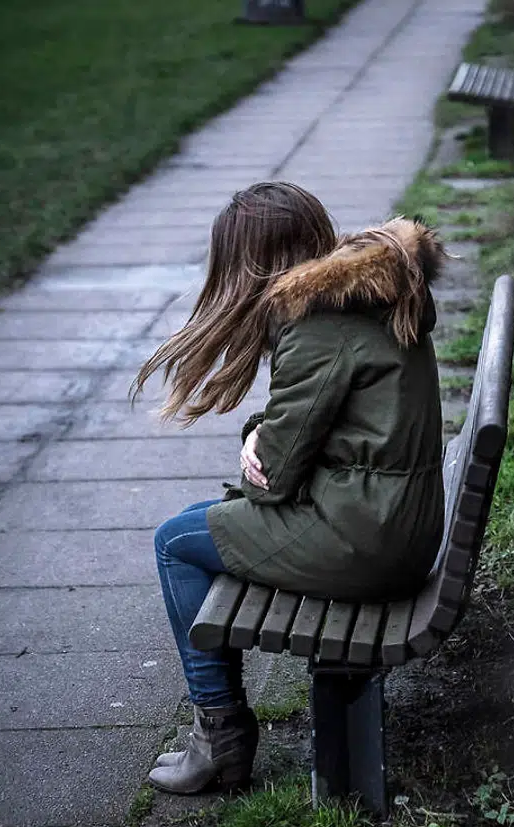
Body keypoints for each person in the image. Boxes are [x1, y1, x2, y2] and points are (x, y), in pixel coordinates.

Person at [132, 182, 447, 794]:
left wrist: (257, 447)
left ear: (252, 262)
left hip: (365, 540)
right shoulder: (368, 296)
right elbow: (315, 428)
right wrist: (260, 436)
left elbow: (273, 481)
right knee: (203, 522)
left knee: (176, 542)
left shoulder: (317, 326)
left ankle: (218, 739)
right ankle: (218, 733)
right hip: (393, 522)